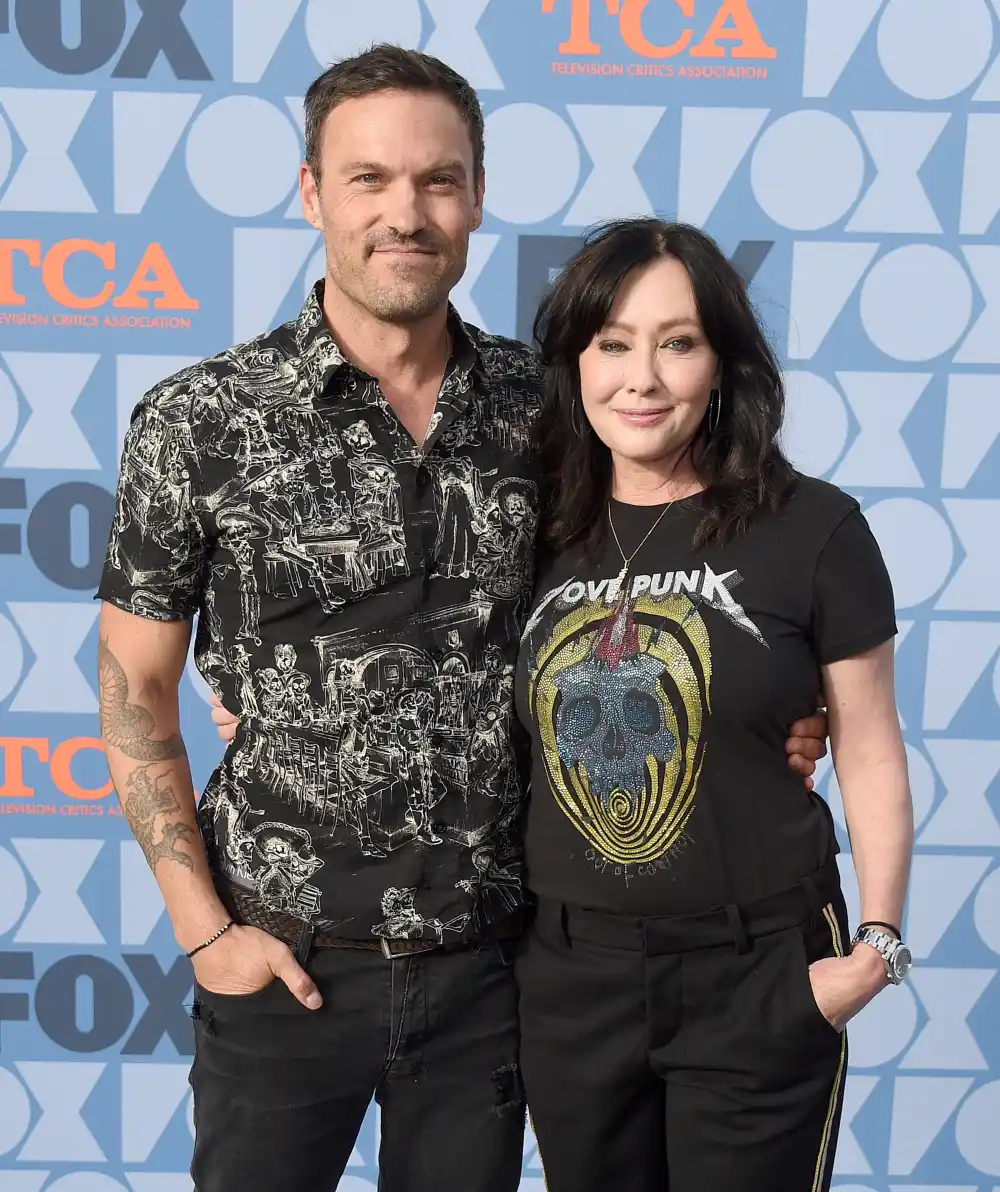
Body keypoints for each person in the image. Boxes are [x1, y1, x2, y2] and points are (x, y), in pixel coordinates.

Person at [96, 45, 828, 1192]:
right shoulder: (199, 420)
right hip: (281, 960)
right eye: (369, 179)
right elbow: (133, 681)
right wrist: (205, 931)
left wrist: (774, 706)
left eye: (437, 180)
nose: (405, 212)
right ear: (311, 193)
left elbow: (668, 572)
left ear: (477, 195)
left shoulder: (552, 407)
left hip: (491, 971)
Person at [510, 219, 914, 1192]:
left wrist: (876, 944)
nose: (641, 379)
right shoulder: (529, 528)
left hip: (757, 967)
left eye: (677, 343)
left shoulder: (812, 528)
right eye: (613, 344)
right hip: (570, 978)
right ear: (575, 363)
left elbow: (867, 748)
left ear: (723, 363)